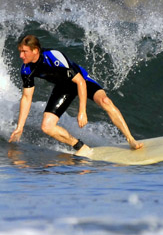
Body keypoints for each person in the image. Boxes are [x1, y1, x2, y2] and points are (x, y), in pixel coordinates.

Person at [8, 34, 141, 156]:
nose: (21, 56)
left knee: (105, 101)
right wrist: (20, 127)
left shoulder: (53, 56)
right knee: (47, 126)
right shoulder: (26, 70)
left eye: (24, 52)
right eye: (20, 51)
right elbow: (26, 97)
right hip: (63, 88)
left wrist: (82, 111)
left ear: (35, 50)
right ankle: (81, 147)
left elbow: (80, 82)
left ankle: (130, 139)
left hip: (82, 80)